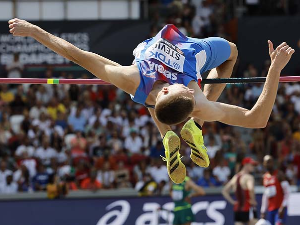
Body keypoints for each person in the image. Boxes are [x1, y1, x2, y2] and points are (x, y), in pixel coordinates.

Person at [7, 18, 295, 184]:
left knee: (146, 94)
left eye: (175, 87)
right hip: (192, 53)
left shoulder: (131, 76)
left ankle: (169, 134)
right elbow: (257, 119)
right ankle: (193, 126)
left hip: (162, 66)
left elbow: (75, 54)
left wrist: (34, 31)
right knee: (231, 53)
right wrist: (274, 70)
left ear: (170, 93)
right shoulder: (196, 98)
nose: (174, 85)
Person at [222, 157, 258, 225]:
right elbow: (251, 188)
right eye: (252, 165)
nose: (253, 167)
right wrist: (253, 200)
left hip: (237, 209)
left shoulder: (235, 177)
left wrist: (232, 202)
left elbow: (224, 191)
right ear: (246, 165)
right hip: (248, 207)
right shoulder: (249, 177)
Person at [260, 155, 290, 225]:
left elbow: (287, 192)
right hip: (271, 209)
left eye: (269, 162)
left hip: (279, 208)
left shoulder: (279, 175)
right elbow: (265, 195)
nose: (268, 164)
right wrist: (263, 210)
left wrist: (283, 206)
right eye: (266, 162)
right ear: (264, 164)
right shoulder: (264, 177)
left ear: (273, 163)